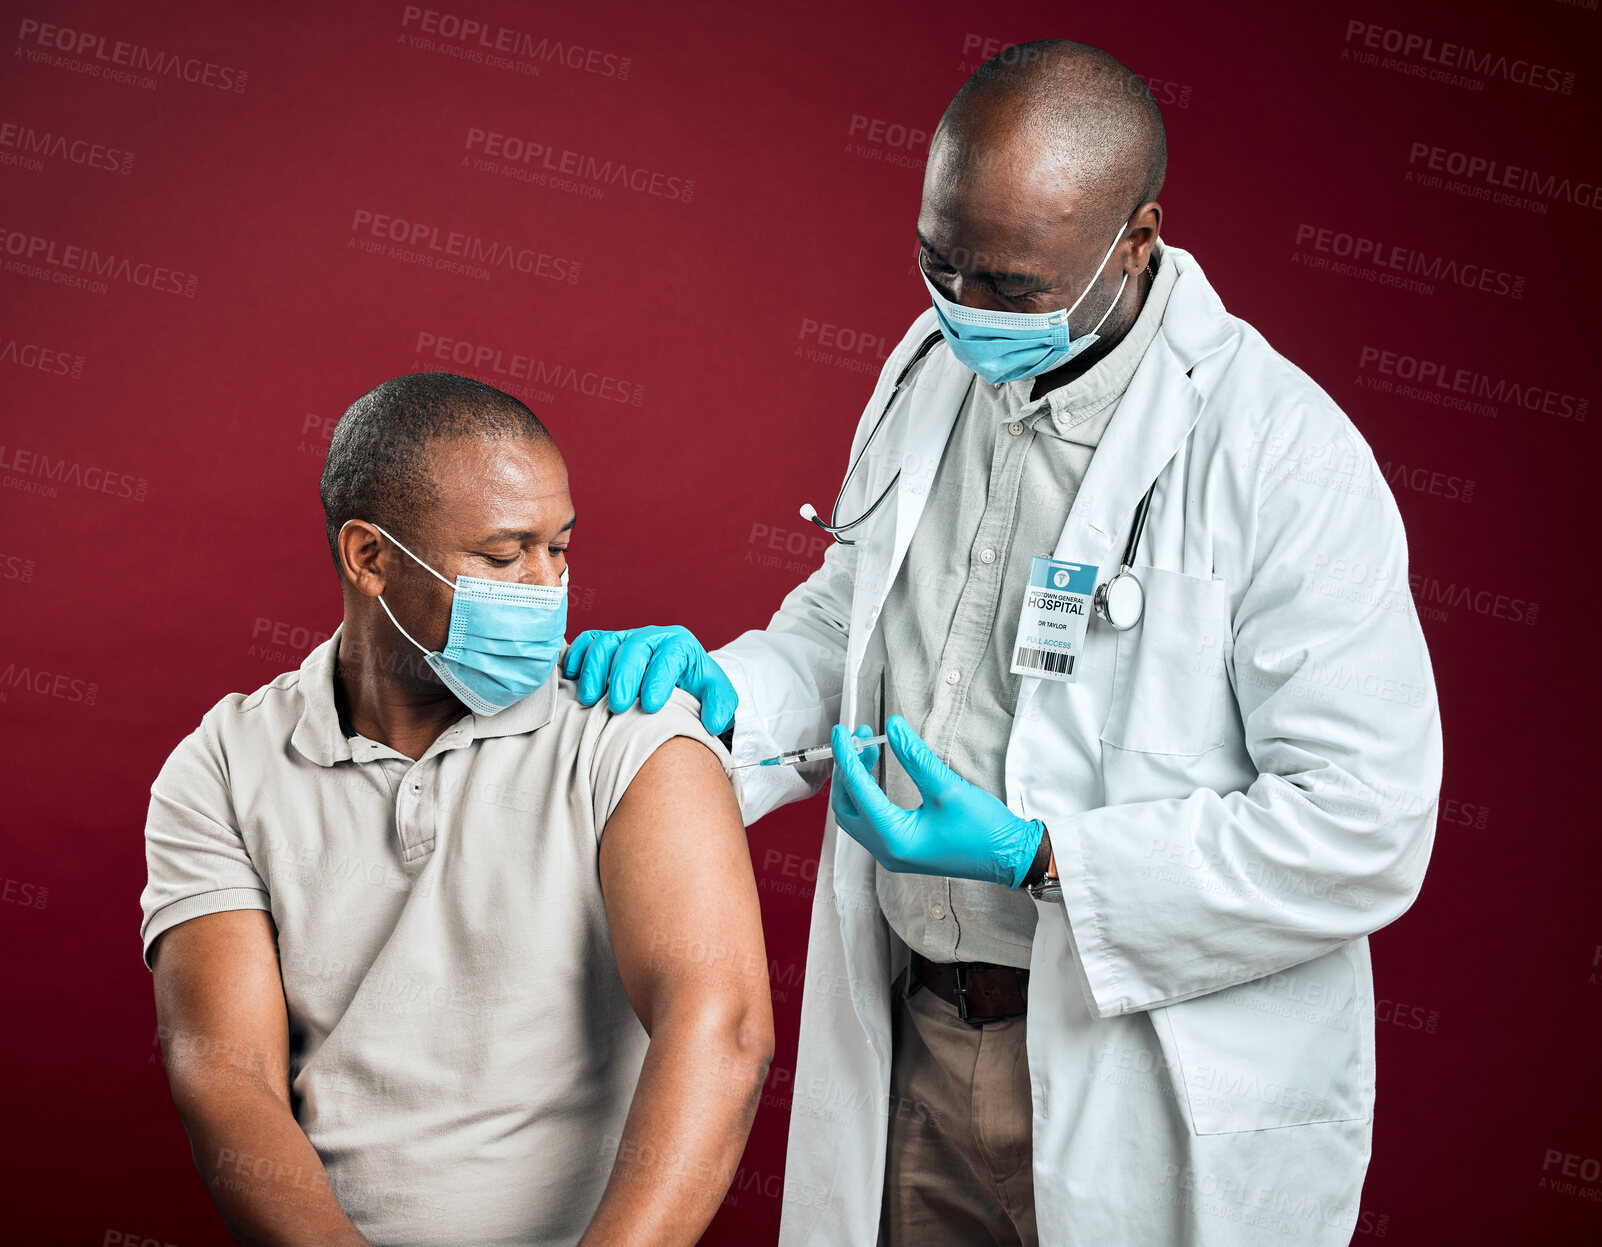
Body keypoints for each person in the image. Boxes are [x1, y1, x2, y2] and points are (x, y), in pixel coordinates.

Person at [565, 39, 1442, 1247]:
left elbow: (1367, 823)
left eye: (1013, 286)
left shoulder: (1282, 456)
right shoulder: (930, 366)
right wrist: (730, 691)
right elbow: (851, 614)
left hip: (1139, 1074)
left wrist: (1042, 855)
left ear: (1135, 238)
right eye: (940, 263)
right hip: (919, 1044)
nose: (964, 309)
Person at [140, 373, 773, 1247]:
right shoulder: (223, 764)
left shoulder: (629, 736)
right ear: (371, 558)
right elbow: (224, 1071)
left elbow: (720, 1023)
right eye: (505, 555)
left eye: (559, 547)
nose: (547, 587)